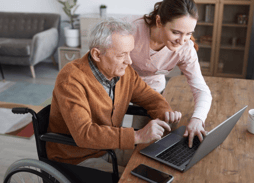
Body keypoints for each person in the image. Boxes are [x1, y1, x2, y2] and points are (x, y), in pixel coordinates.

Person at [45, 18, 182, 174]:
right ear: (97, 54)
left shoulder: (124, 72)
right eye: (121, 55)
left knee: (158, 166)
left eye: (130, 52)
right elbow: (84, 133)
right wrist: (137, 136)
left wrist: (166, 112)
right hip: (77, 158)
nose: (129, 61)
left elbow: (149, 97)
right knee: (138, 178)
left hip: (110, 148)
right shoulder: (71, 79)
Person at [127, 0, 212, 148]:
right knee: (128, 137)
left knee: (150, 141)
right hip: (122, 84)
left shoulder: (185, 48)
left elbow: (201, 89)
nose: (181, 41)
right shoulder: (131, 30)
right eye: (176, 32)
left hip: (153, 90)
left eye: (188, 34)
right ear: (159, 21)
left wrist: (198, 119)